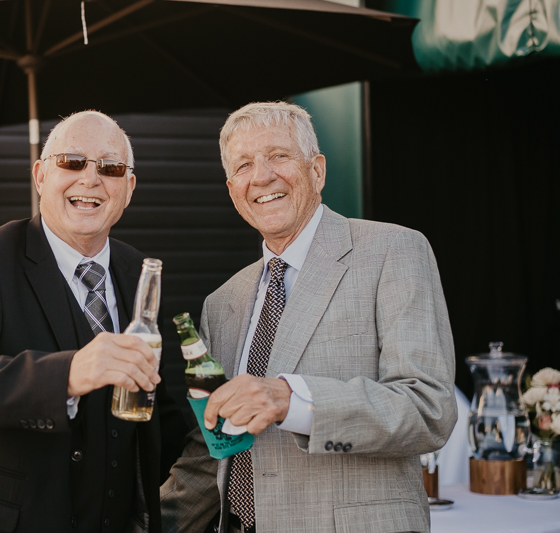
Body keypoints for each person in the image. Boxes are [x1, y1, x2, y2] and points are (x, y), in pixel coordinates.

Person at [159, 101, 457, 533]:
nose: (261, 176)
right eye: (244, 165)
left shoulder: (394, 250)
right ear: (232, 190)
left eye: (278, 156)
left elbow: (428, 409)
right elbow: (215, 448)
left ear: (317, 170)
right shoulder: (221, 303)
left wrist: (290, 400)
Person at [0, 111, 187, 533]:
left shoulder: (139, 271)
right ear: (41, 175)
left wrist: (216, 426)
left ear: (128, 188)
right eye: (72, 162)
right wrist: (69, 374)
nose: (90, 180)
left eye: (110, 168)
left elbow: (158, 409)